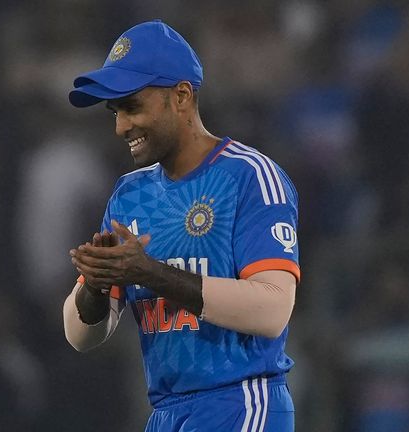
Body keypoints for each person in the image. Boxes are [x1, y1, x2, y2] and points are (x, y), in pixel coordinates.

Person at [62, 20, 301, 431]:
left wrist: (148, 272)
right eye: (116, 111)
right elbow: (81, 334)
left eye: (132, 106)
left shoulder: (249, 177)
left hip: (242, 402)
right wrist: (97, 284)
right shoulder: (129, 195)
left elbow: (272, 309)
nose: (121, 126)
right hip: (166, 414)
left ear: (182, 96)